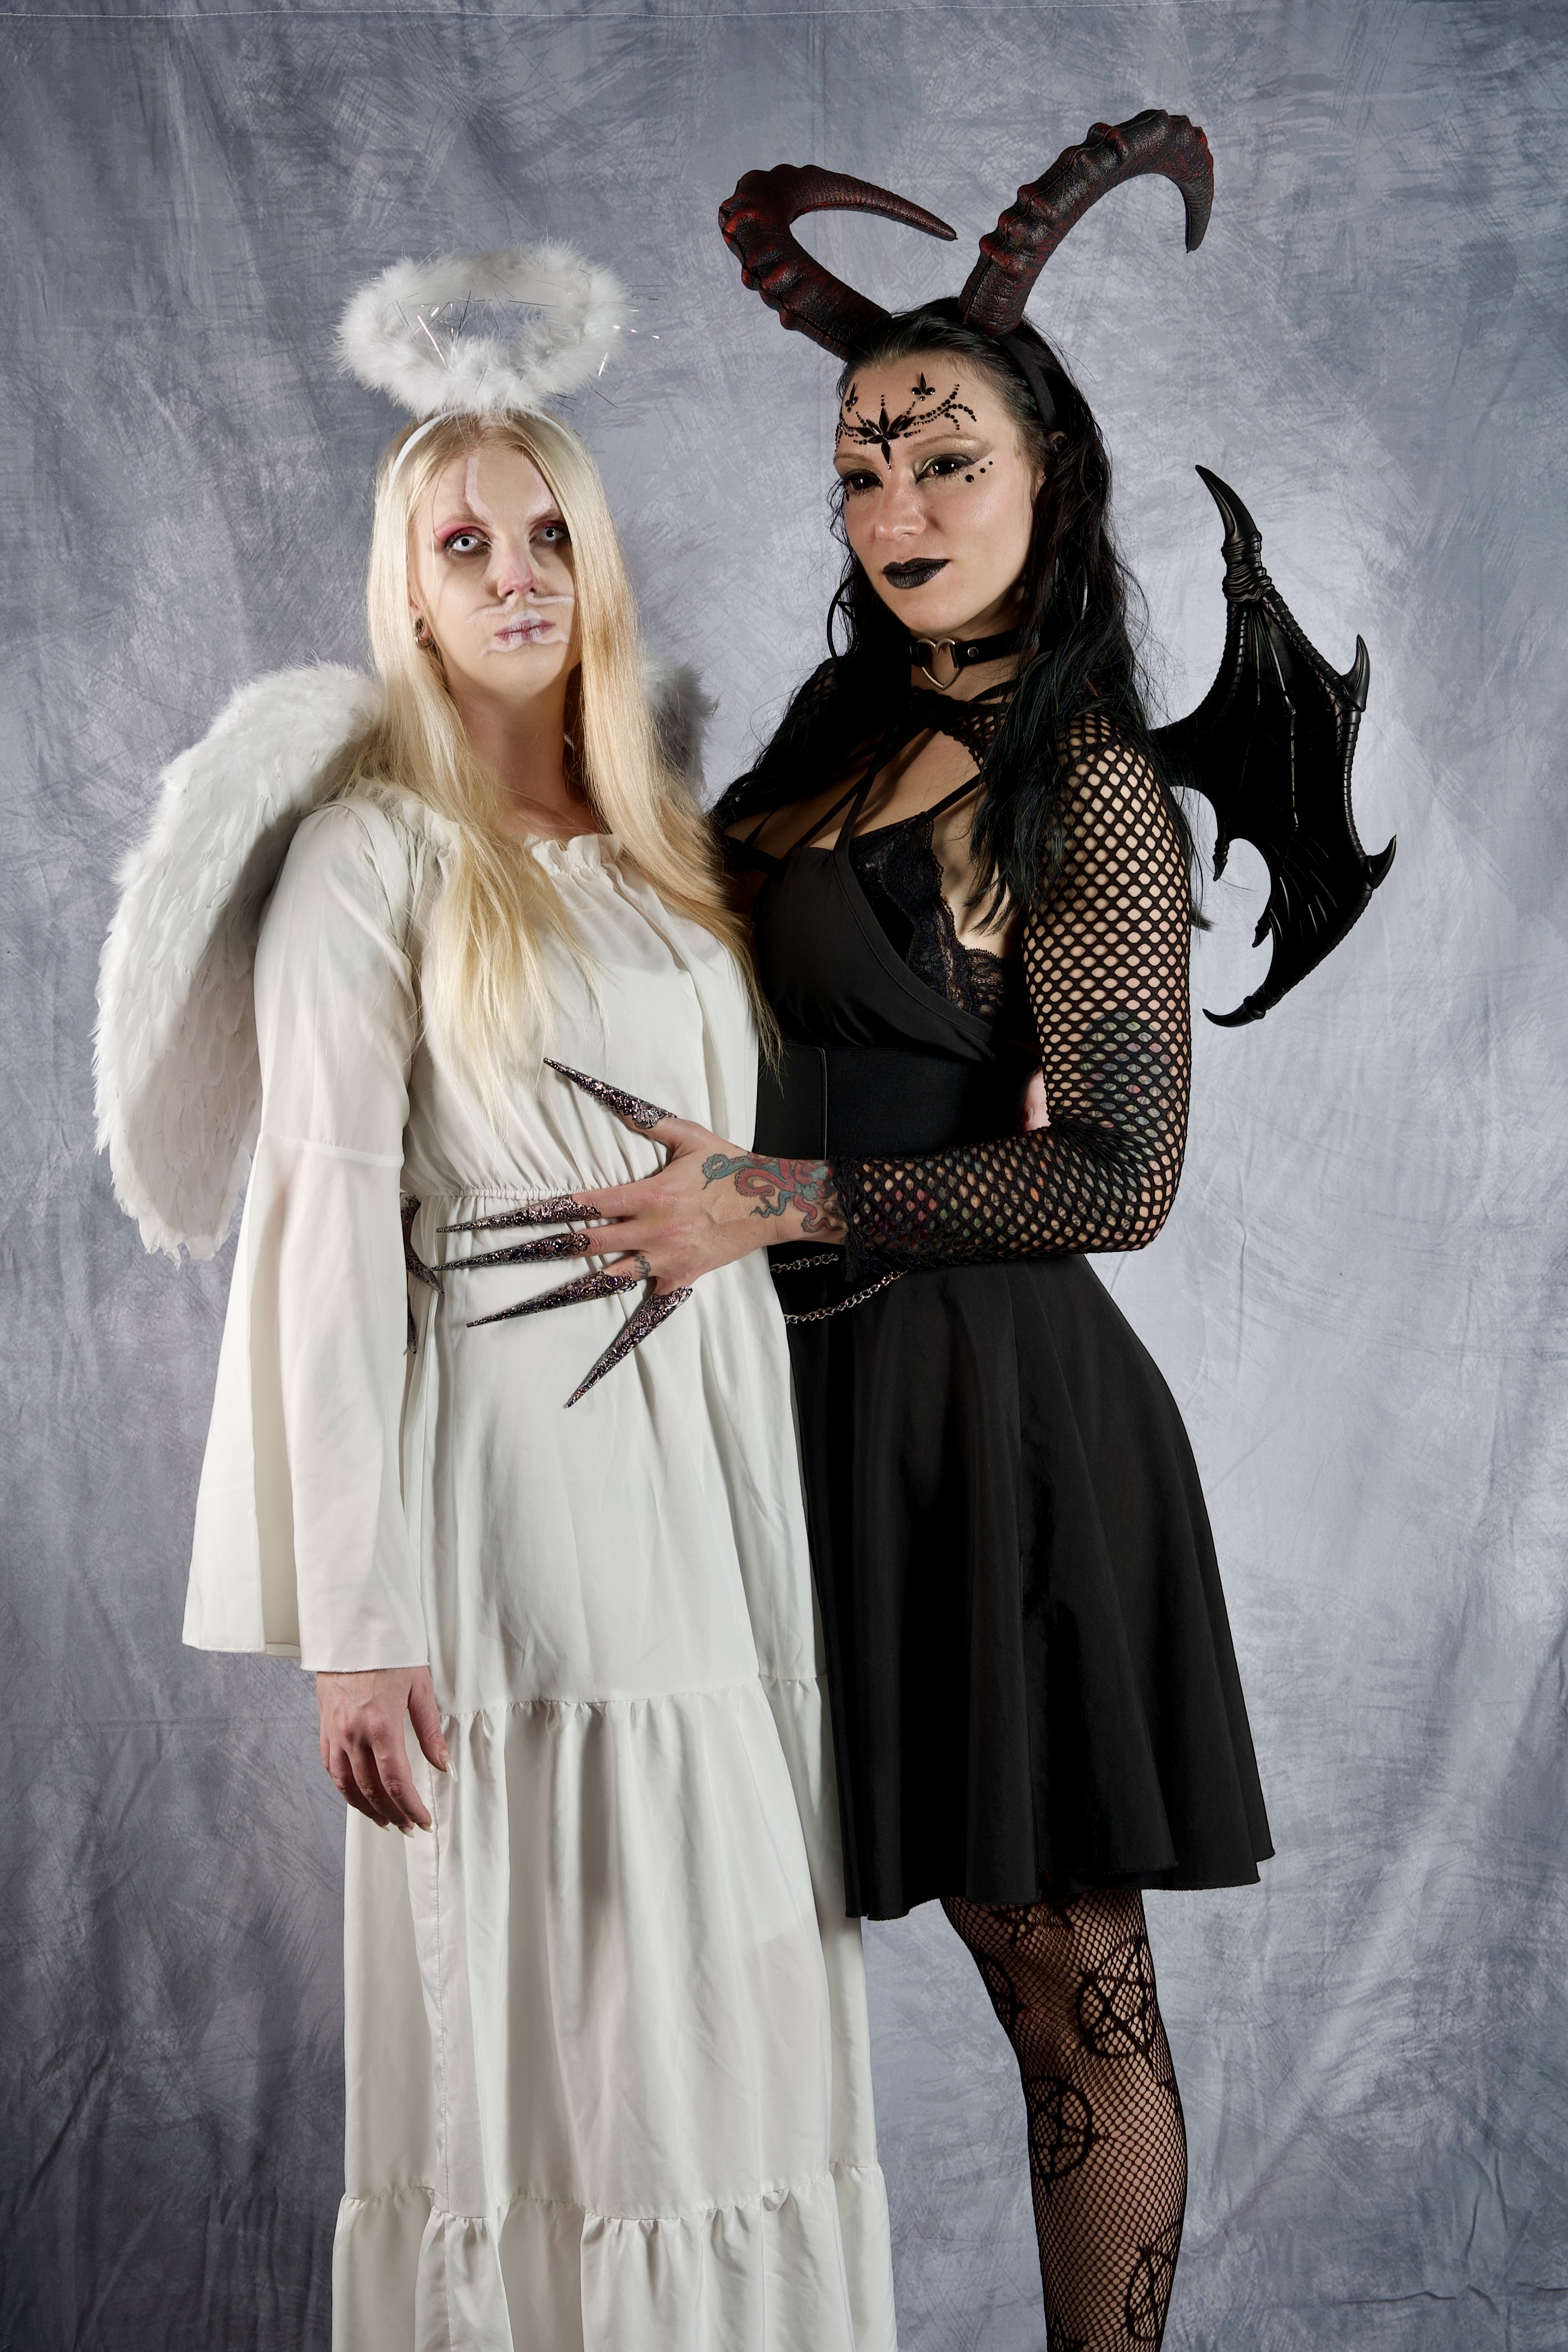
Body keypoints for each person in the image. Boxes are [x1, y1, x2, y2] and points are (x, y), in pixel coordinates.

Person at [94, 250, 896, 2352]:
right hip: (513, 1508)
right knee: (567, 2014)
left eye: (547, 535)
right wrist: (356, 1626)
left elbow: (757, 1167)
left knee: (729, 1993)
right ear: (410, 588)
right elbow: (321, 1243)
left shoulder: (667, 854)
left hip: (717, 1491)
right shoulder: (370, 863)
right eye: (466, 546)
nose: (516, 575)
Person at [558, 122, 1285, 2351]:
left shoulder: (1091, 782)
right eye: (862, 468)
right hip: (789, 1392)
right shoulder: (833, 732)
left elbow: (1123, 1175)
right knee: (718, 1952)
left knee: (1066, 1985)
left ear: (1052, 472)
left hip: (994, 1424)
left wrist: (770, 1198)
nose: (894, 507)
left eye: (946, 458)